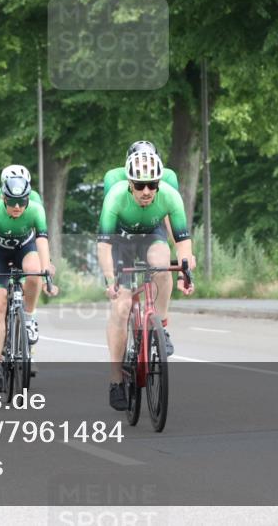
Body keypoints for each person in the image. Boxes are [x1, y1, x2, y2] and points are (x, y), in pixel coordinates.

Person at [97, 150, 195, 411]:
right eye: (140, 185)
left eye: (153, 184)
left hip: (153, 236)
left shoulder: (170, 196)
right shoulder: (116, 196)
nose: (147, 191)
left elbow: (183, 242)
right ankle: (116, 380)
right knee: (122, 306)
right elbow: (104, 247)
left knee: (163, 267)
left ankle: (160, 325)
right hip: (121, 242)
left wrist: (186, 268)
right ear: (130, 183)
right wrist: (111, 280)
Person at [0, 171, 58, 392]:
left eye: (21, 201)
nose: (17, 207)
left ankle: (30, 317)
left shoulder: (35, 209)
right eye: (12, 202)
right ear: (3, 198)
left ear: (28, 198)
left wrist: (46, 274)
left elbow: (42, 242)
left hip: (25, 248)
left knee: (34, 271)